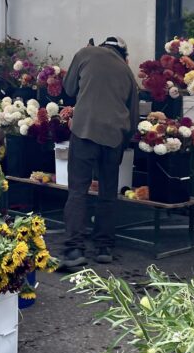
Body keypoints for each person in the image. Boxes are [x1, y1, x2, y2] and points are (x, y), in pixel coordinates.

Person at [59, 36, 139, 270]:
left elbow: (69, 88)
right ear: (123, 54)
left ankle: (75, 249)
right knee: (107, 191)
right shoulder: (127, 73)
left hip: (84, 132)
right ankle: (104, 247)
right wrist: (122, 143)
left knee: (78, 191)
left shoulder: (85, 53)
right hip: (114, 137)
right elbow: (133, 117)